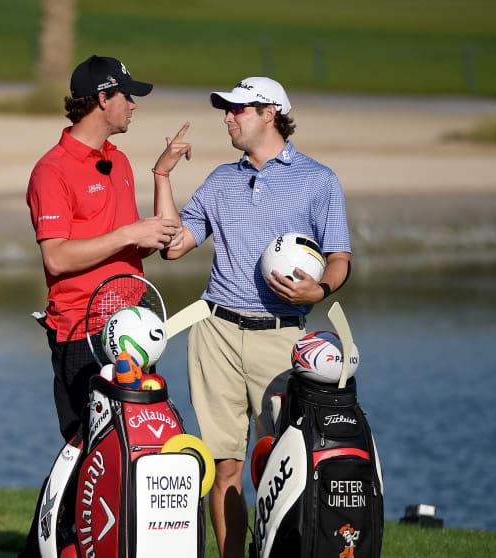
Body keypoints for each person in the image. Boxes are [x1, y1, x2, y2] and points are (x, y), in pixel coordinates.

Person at [152, 77, 352, 558]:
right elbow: (174, 247)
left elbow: (339, 257)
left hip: (280, 339)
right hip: (214, 333)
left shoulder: (318, 179)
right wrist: (162, 177)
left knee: (281, 466)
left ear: (270, 113)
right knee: (224, 467)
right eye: (226, 110)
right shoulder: (221, 179)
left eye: (238, 110)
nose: (227, 117)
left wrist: (319, 288)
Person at [20, 55, 179, 558]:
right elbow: (57, 256)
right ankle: (50, 548)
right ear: (101, 100)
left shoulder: (122, 162)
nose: (134, 105)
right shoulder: (52, 169)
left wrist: (160, 186)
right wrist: (131, 232)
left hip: (132, 331)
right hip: (80, 333)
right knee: (85, 454)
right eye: (127, 96)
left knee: (128, 453)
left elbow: (132, 245)